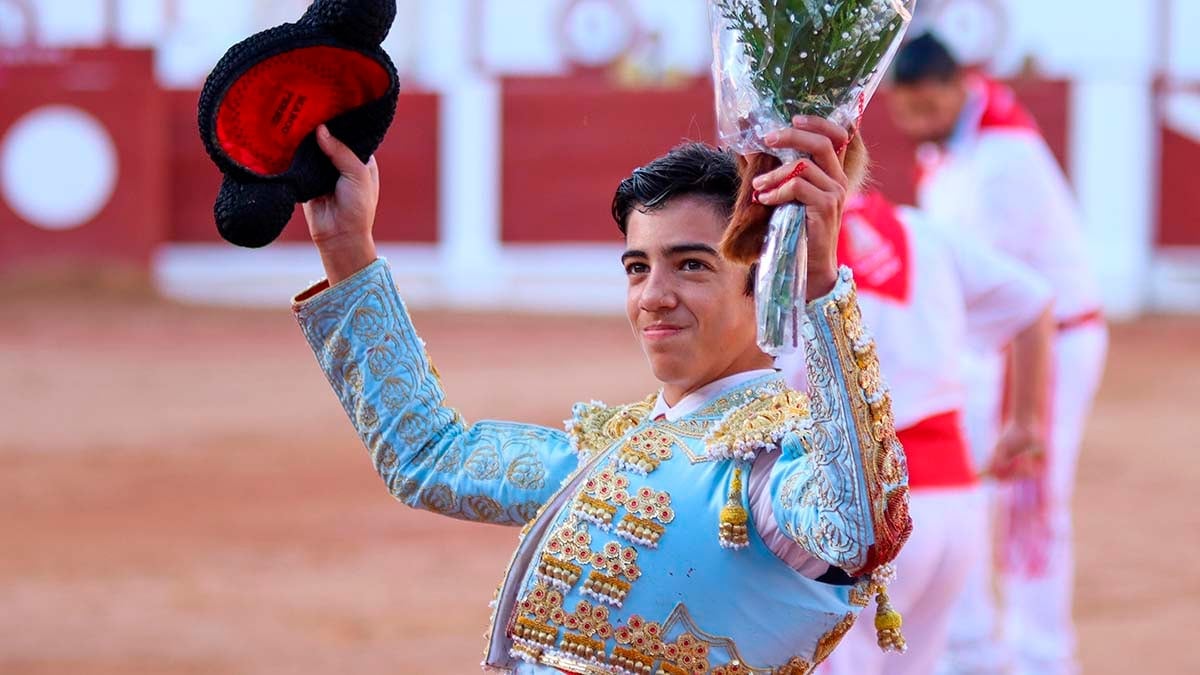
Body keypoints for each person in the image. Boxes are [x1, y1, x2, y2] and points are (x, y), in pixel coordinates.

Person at [289, 118, 912, 674]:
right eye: (637, 267)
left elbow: (857, 529)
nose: (653, 297)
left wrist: (822, 285)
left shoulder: (771, 468)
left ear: (769, 280)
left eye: (692, 265)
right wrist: (346, 248)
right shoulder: (605, 455)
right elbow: (428, 457)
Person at [888, 33, 1109, 675]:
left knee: (1029, 503)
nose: (917, 124)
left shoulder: (1001, 160)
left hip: (1039, 346)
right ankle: (987, 649)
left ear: (960, 87)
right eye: (907, 112)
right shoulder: (962, 143)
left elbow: (990, 285)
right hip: (1003, 345)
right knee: (984, 494)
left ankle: (1039, 657)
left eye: (928, 108)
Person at [783, 190, 1053, 675]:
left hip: (861, 512)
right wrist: (1026, 423)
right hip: (954, 501)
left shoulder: (786, 249)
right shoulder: (921, 231)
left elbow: (781, 394)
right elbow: (1033, 302)